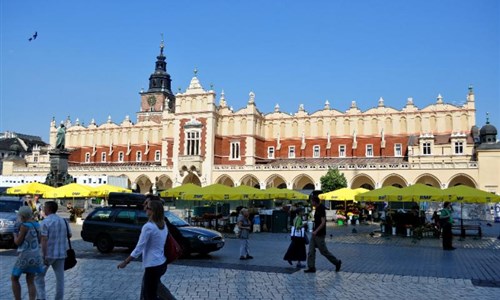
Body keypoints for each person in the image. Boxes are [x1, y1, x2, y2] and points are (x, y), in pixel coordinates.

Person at [118, 199, 170, 300]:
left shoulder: (149, 227)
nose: (145, 209)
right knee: (150, 291)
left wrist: (125, 262)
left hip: (152, 266)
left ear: (153, 211)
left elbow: (139, 248)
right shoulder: (163, 224)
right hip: (161, 263)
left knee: (149, 296)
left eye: (148, 208)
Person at [35, 201, 71, 300]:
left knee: (38, 277)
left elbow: (43, 239)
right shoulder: (63, 221)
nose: (43, 210)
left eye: (44, 208)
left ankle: (41, 297)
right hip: (61, 254)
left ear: (49, 209)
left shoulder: (45, 222)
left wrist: (44, 255)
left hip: (48, 254)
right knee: (60, 280)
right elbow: (70, 235)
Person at [11, 206, 44, 300]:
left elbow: (18, 242)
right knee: (30, 280)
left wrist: (14, 234)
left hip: (25, 255)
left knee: (14, 278)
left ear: (22, 216)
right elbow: (39, 240)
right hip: (35, 255)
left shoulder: (24, 226)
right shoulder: (37, 224)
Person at [304, 195, 342, 273]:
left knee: (324, 251)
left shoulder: (321, 209)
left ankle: (337, 262)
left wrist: (316, 231)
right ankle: (311, 267)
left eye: (311, 201)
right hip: (314, 233)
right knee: (311, 251)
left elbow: (323, 222)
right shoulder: (317, 208)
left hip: (319, 234)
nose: (311, 203)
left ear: (314, 201)